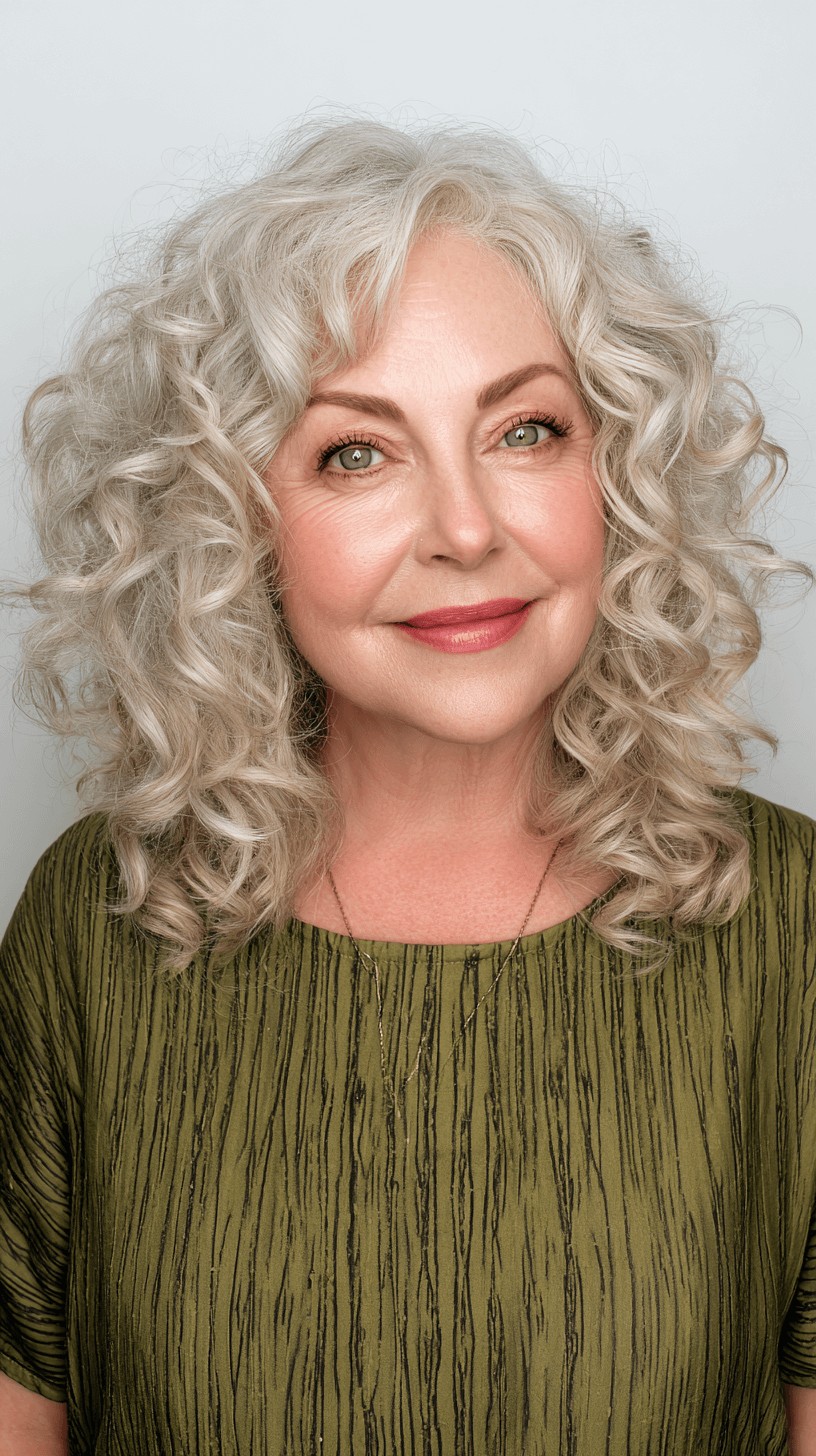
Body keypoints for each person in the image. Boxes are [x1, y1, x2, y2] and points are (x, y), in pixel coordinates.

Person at [0, 116, 814, 1456]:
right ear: (230, 523)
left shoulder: (790, 923)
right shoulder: (95, 920)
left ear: (619, 473)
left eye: (526, 430)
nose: (466, 529)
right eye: (356, 452)